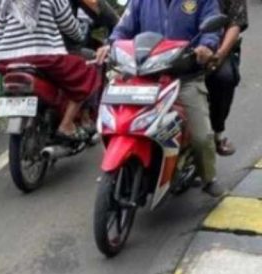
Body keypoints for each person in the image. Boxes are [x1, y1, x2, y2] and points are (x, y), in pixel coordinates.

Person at [97, 0, 226, 196]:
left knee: (201, 137)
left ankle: (209, 178)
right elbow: (123, 29)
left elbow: (211, 29)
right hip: (143, 75)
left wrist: (206, 46)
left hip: (184, 76)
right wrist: (110, 45)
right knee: (118, 120)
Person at [0, 0, 102, 142]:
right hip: (44, 56)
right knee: (87, 71)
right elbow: (68, 25)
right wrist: (80, 35)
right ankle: (66, 124)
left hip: (6, 59)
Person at [205, 0, 247, 156]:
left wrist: (220, 54)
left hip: (216, 49)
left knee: (224, 79)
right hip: (173, 48)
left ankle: (217, 133)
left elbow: (235, 23)